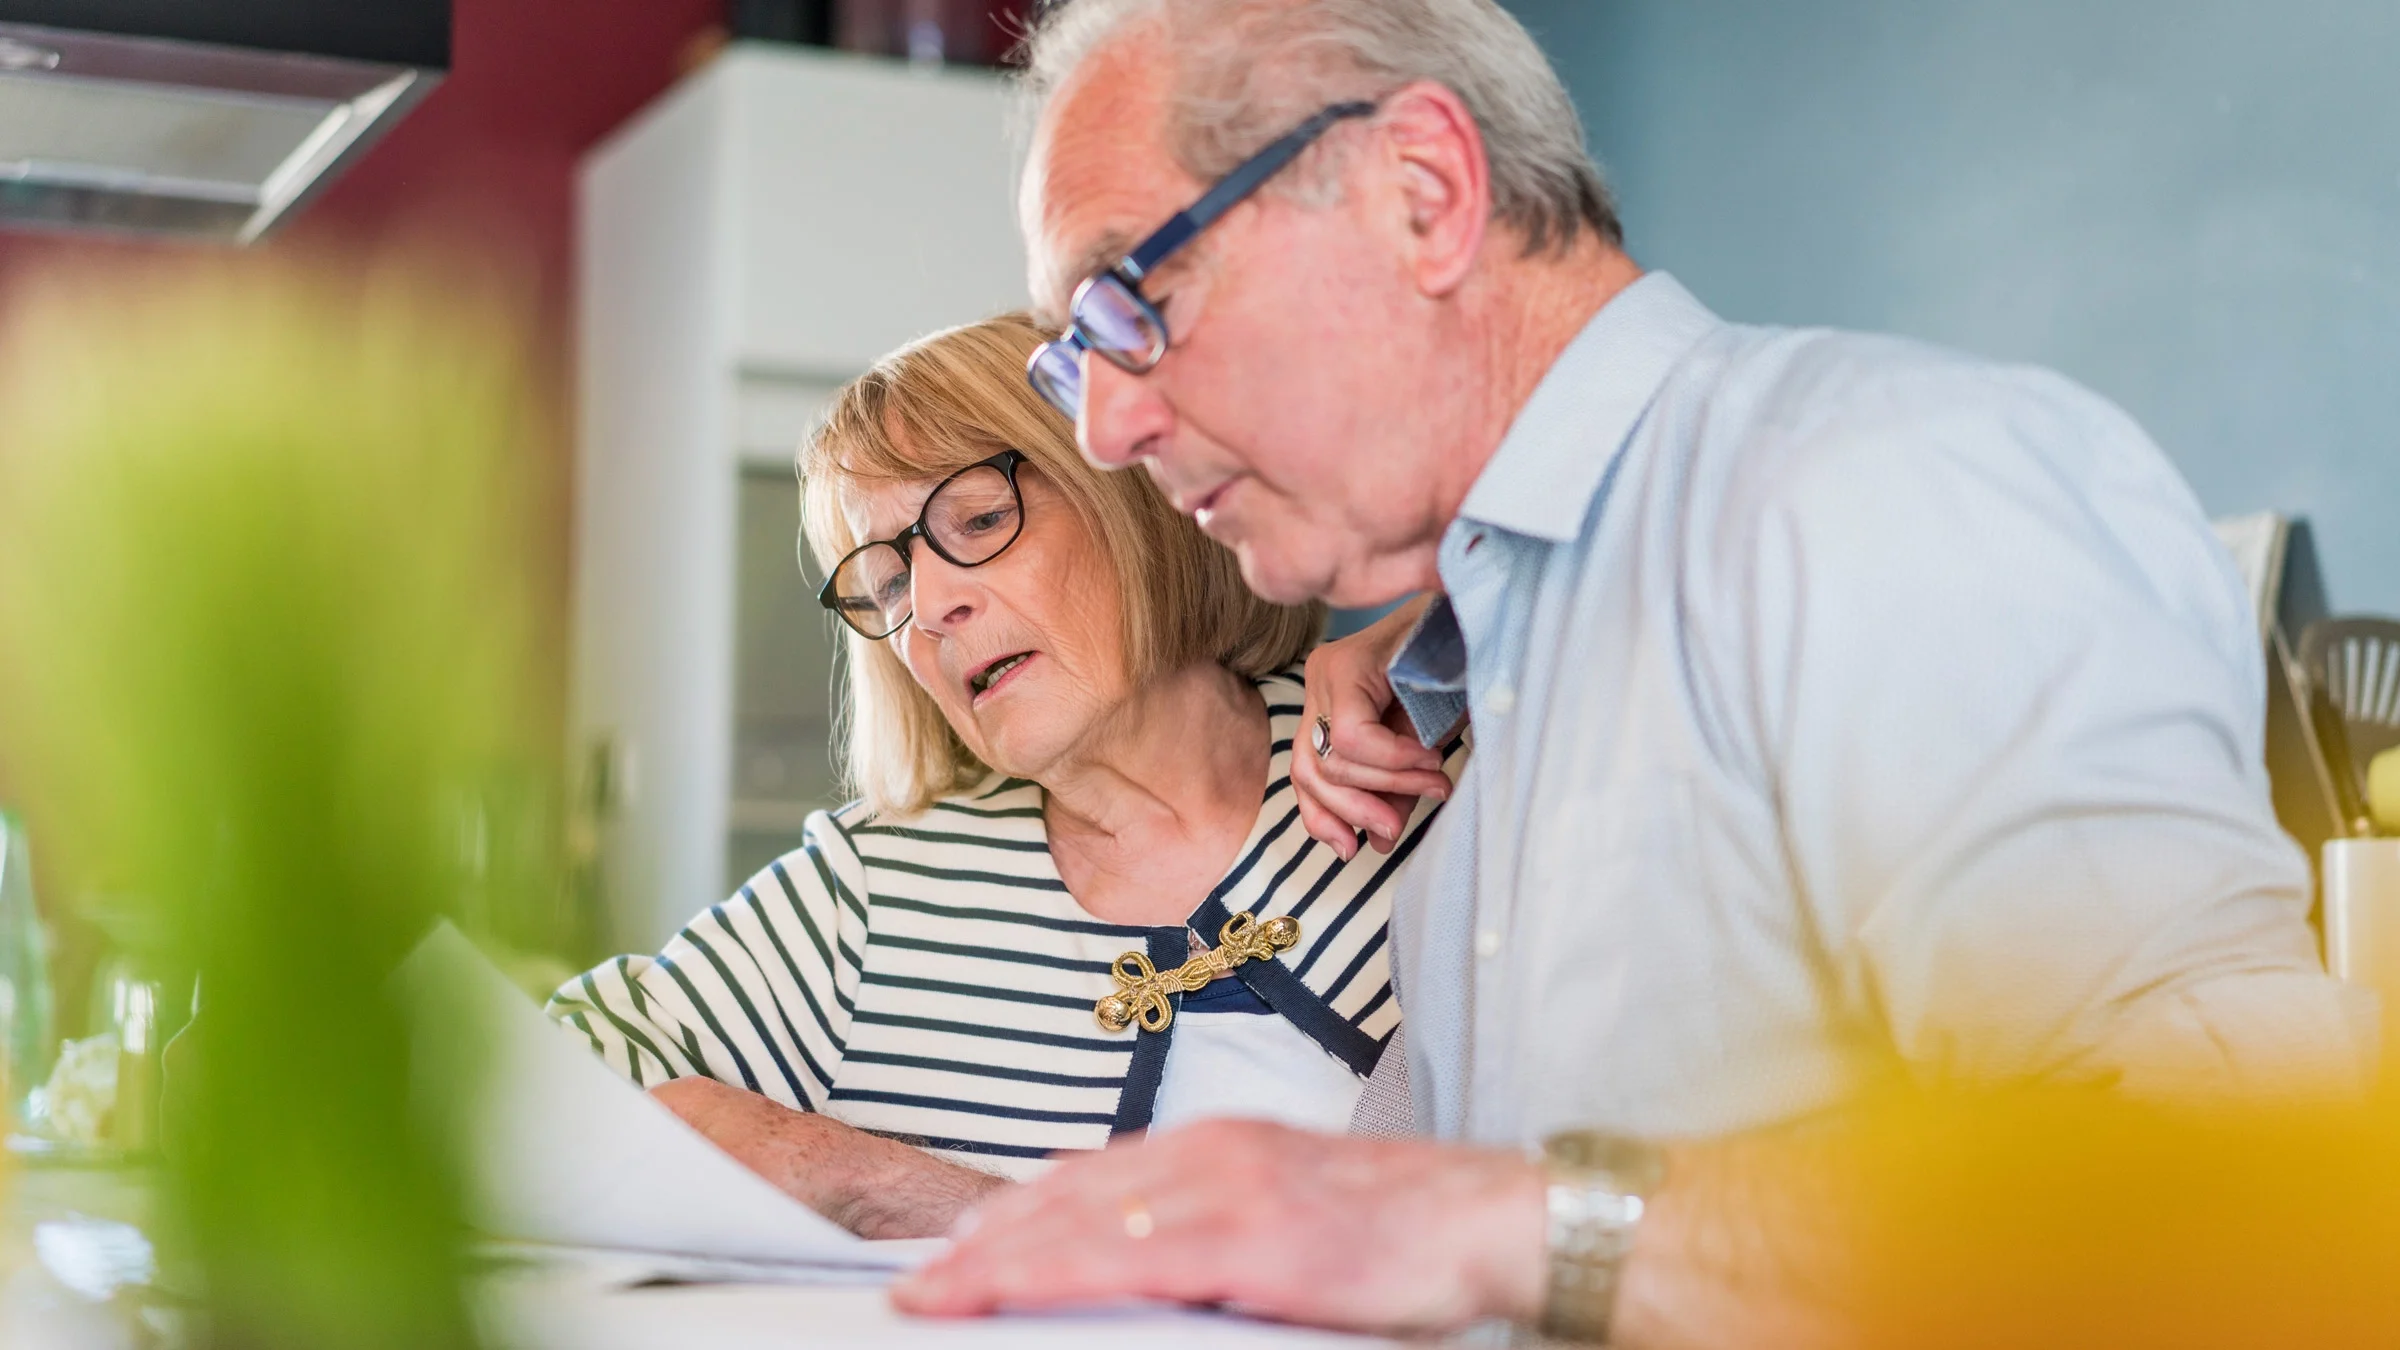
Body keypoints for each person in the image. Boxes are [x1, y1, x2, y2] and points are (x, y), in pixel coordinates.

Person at [891, 0, 2369, 1340]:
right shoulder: (1487, 668)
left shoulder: (1886, 487)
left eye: (1130, 301)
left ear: (1423, 194)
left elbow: (2248, 1212)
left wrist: (1500, 1223)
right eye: (1075, 361)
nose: (1106, 431)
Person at [548, 314, 1462, 1239]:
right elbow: (521, 1092)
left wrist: (1454, 640)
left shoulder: (1410, 756)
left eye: (981, 520)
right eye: (890, 584)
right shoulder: (874, 891)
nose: (933, 608)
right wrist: (837, 1168)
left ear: (1135, 495)